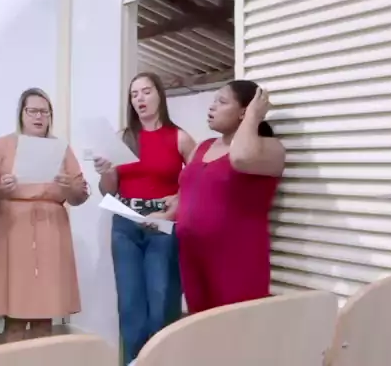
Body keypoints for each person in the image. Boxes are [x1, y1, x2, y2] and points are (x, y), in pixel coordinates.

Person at [93, 72, 195, 365]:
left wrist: (175, 206)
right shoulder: (122, 139)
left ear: (159, 95)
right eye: (134, 94)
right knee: (130, 305)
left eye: (146, 91)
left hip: (163, 224)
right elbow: (108, 190)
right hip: (125, 224)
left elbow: (198, 181)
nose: (140, 98)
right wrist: (106, 172)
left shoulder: (180, 137)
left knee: (162, 301)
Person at [0, 88, 90, 342]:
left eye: (45, 112)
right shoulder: (2, 145)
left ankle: (43, 357)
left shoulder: (61, 148)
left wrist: (69, 188)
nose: (39, 117)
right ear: (21, 114)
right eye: (33, 111)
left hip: (51, 233)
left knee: (45, 316)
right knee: (15, 317)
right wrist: (0, 188)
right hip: (13, 232)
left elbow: (80, 196)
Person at [174, 80, 284, 314]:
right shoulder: (203, 147)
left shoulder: (269, 147)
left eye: (222, 102)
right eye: (214, 101)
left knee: (236, 325)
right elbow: (186, 194)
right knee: (199, 324)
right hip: (192, 255)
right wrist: (162, 215)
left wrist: (253, 116)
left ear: (244, 111)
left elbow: (241, 158)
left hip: (236, 258)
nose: (212, 107)